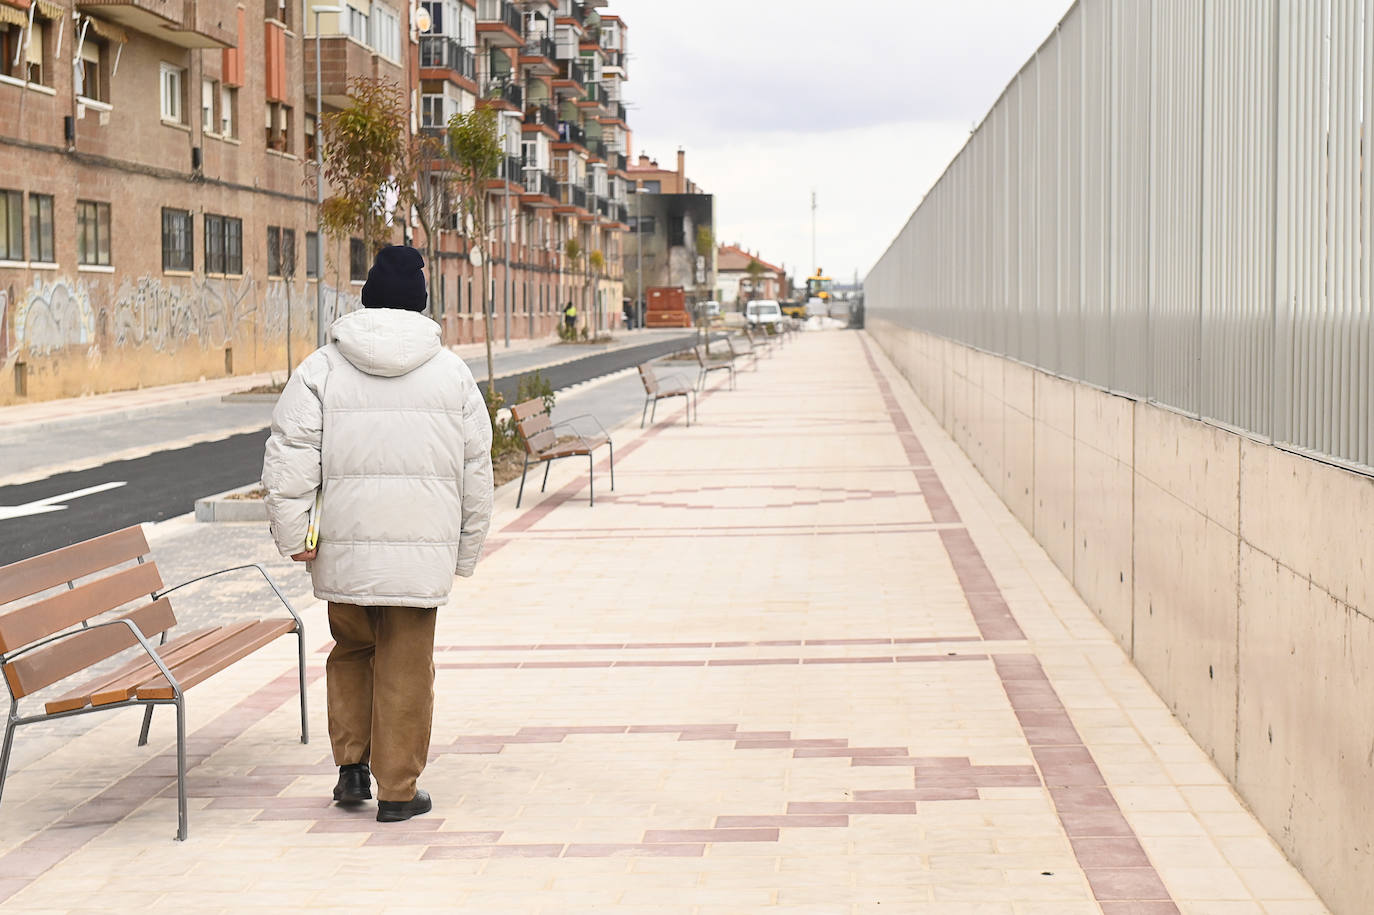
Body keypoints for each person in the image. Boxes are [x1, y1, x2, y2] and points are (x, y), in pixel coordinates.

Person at [262, 245, 493, 823]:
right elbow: (476, 471)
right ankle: (397, 791)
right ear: (420, 302)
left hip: (344, 548)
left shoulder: (320, 368)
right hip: (421, 554)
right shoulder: (453, 374)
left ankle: (351, 767)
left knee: (352, 650)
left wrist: (294, 535)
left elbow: (289, 460)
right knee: (407, 663)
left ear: (365, 300)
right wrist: (464, 554)